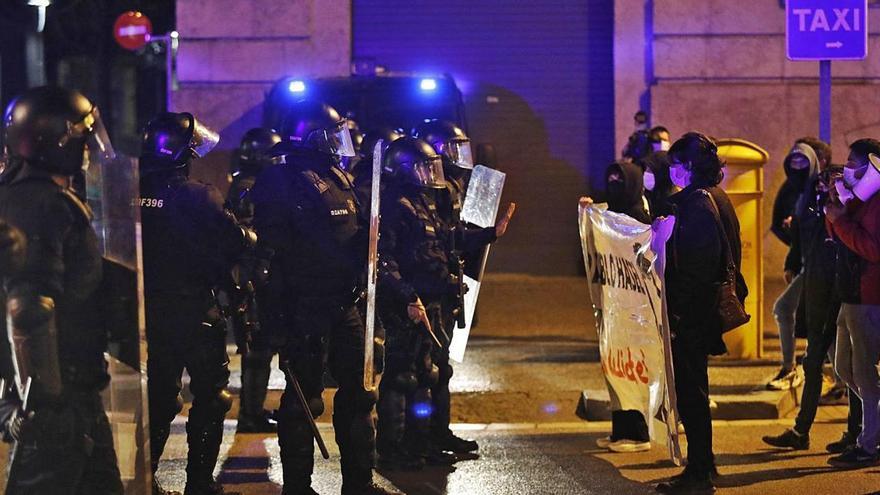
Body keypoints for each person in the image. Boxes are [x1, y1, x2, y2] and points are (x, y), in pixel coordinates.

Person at [249, 100, 398, 495]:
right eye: (333, 136)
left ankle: (358, 484)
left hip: (346, 302)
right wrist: (274, 318)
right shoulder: (281, 181)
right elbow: (268, 257)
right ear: (313, 137)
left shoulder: (339, 176)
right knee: (303, 403)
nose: (340, 144)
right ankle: (298, 487)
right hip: (303, 308)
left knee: (361, 395)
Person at [0, 86, 125, 493]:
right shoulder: (44, 205)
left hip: (72, 391)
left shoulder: (28, 197)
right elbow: (29, 308)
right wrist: (43, 403)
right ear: (55, 141)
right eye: (80, 138)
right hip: (59, 398)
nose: (88, 148)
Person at [140, 112, 254, 495]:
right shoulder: (198, 195)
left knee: (156, 398)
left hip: (147, 313)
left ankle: (145, 480)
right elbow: (233, 241)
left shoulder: (128, 191)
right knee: (211, 397)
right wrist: (250, 236)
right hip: (194, 311)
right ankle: (199, 485)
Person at [412, 120, 515, 455]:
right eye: (455, 147)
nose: (462, 155)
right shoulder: (424, 196)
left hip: (447, 287)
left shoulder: (455, 185)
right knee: (423, 370)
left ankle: (438, 433)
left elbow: (453, 237)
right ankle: (418, 439)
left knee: (441, 367)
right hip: (426, 290)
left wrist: (489, 234)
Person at [655, 132, 744, 494]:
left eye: (675, 166)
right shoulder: (717, 198)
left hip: (692, 314)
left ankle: (699, 472)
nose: (671, 172)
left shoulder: (696, 205)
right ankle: (703, 465)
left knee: (692, 392)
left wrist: (677, 315)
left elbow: (695, 265)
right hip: (700, 311)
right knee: (696, 389)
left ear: (688, 167)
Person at [374, 136, 456, 469]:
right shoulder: (396, 205)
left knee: (427, 374)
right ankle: (393, 448)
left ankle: (419, 443)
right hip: (405, 304)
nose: (429, 175)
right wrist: (407, 294)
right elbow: (386, 259)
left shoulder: (420, 201)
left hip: (427, 301)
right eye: (422, 168)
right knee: (400, 376)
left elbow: (438, 244)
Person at [762, 156, 842, 451]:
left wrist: (836, 219)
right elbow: (800, 240)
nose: (827, 191)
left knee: (852, 370)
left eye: (834, 186)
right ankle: (801, 431)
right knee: (813, 362)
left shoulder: (849, 213)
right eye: (823, 185)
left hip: (846, 298)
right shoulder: (815, 207)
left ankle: (862, 435)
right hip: (819, 293)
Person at [825, 138, 880, 468]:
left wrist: (841, 219)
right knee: (842, 367)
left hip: (868, 296)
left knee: (863, 371)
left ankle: (868, 444)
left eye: (852, 162)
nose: (847, 167)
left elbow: (872, 249)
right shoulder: (862, 200)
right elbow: (837, 236)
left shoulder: (876, 203)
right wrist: (836, 206)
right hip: (850, 294)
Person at [226, 128, 282, 434]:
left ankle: (254, 410)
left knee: (260, 350)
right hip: (251, 281)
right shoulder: (248, 187)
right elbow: (248, 234)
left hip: (254, 278)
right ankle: (250, 414)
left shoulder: (249, 184)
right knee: (257, 351)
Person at [766, 139, 824, 390]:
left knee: (798, 314)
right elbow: (791, 233)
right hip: (804, 264)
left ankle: (798, 369)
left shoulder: (821, 189)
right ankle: (796, 368)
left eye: (804, 162)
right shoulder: (791, 190)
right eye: (794, 162)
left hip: (820, 267)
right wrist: (791, 261)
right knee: (811, 319)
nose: (798, 167)